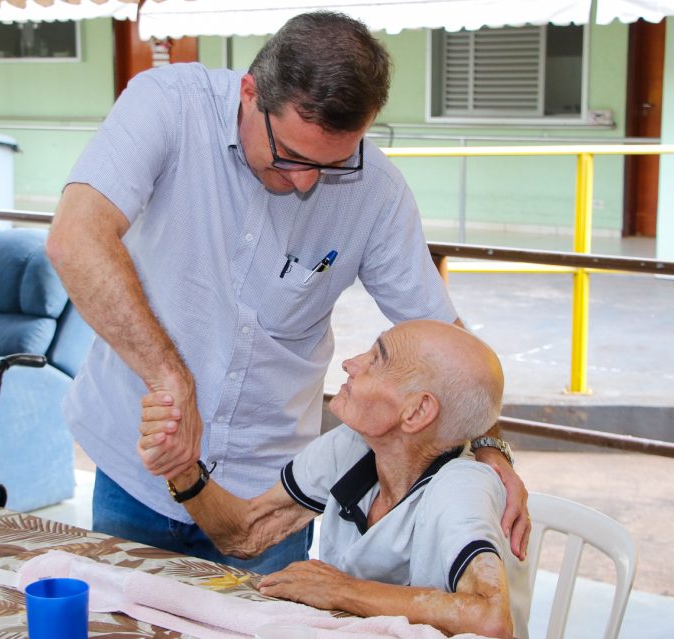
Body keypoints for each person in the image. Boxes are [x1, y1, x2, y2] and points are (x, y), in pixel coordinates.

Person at [46, 10, 529, 572]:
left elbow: (449, 347)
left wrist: (492, 449)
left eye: (334, 163)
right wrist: (169, 376)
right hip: (140, 467)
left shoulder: (375, 192)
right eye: (292, 156)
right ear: (250, 93)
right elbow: (74, 238)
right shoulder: (169, 103)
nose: (306, 181)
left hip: (268, 490)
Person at [139, 320, 530, 639]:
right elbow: (246, 533)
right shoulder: (352, 447)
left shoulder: (461, 485)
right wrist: (182, 469)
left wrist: (341, 589)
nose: (351, 363)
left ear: (416, 412)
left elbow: (490, 619)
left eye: (377, 359)